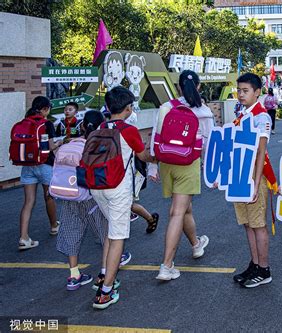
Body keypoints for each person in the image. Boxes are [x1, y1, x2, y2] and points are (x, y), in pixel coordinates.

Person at [91, 86, 156, 309]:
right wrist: (159, 159)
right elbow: (143, 155)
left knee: (112, 229)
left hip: (96, 185)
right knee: (118, 236)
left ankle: (103, 274)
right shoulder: (128, 130)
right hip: (117, 187)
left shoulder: (100, 126)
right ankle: (105, 292)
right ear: (128, 108)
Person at [150, 70, 213, 281]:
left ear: (177, 87)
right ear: (199, 87)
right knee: (177, 211)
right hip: (188, 162)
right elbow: (208, 144)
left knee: (184, 208)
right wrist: (211, 172)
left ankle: (196, 244)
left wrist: (152, 167)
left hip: (167, 163)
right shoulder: (203, 111)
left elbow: (155, 138)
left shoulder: (166, 107)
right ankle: (166, 266)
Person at [55, 110, 112, 291]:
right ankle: (104, 272)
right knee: (105, 232)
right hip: (89, 195)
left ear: (82, 125)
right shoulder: (95, 147)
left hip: (67, 195)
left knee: (71, 231)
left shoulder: (69, 144)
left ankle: (74, 275)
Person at [232, 73, 278, 288]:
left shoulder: (262, 116)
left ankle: (264, 268)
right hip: (239, 175)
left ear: (257, 92)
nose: (241, 94)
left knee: (258, 225)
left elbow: (261, 152)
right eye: (239, 90)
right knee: (247, 223)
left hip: (253, 177)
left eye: (246, 90)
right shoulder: (242, 114)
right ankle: (254, 263)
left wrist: (255, 183)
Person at [18, 96, 62, 250]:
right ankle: (54, 226)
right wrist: (60, 143)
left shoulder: (25, 121)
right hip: (44, 165)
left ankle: (23, 237)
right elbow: (48, 147)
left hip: (27, 165)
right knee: (49, 197)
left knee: (28, 202)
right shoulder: (46, 123)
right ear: (44, 109)